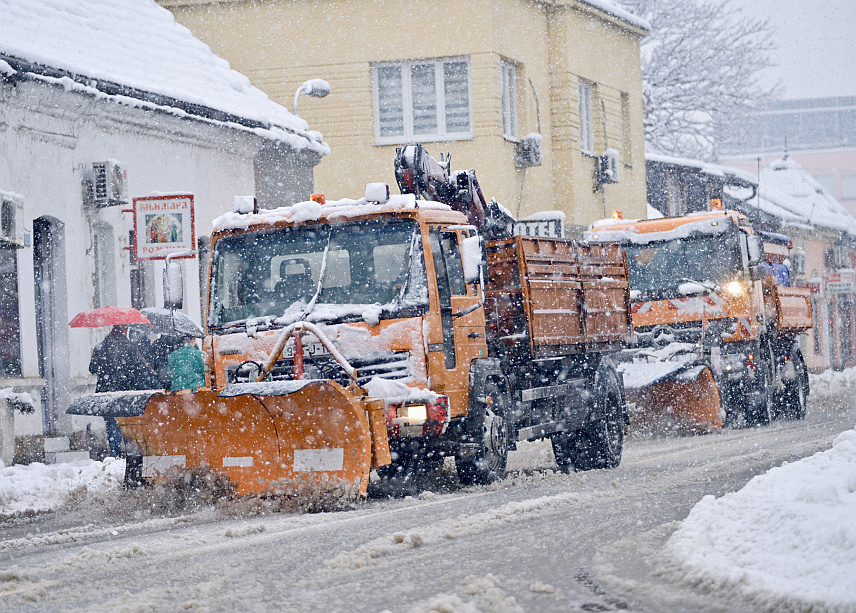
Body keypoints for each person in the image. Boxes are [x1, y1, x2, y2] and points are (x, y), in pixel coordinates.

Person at [89, 325, 158, 456]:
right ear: (125, 331)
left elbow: (92, 368)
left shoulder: (100, 347)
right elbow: (136, 371)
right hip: (125, 392)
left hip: (105, 391)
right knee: (126, 425)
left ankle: (114, 453)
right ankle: (129, 452)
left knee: (111, 423)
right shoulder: (130, 348)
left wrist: (106, 371)